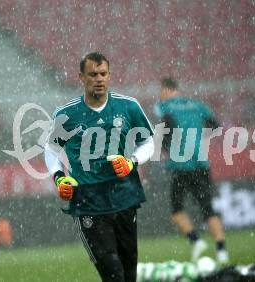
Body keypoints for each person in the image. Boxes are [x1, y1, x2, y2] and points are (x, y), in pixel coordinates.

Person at [44, 52, 155, 282]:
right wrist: (59, 178)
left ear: (109, 75)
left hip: (124, 196)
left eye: (103, 73)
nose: (99, 79)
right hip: (89, 201)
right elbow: (51, 149)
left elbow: (148, 142)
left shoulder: (128, 107)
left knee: (128, 274)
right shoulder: (67, 115)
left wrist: (131, 161)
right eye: (93, 74)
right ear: (81, 77)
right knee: (113, 273)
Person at [154, 76, 229, 264]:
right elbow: (216, 126)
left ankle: (195, 241)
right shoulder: (197, 105)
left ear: (166, 90)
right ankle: (221, 251)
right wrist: (198, 141)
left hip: (180, 165)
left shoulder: (164, 107)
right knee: (208, 210)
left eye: (161, 91)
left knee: (176, 209)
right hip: (201, 163)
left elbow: (166, 129)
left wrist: (166, 148)